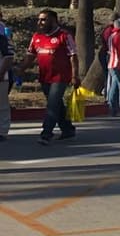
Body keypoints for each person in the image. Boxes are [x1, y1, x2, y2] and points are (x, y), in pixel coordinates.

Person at [22, 9, 79, 145]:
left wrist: (75, 76)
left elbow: (73, 57)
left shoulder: (64, 36)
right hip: (44, 77)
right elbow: (30, 56)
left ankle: (46, 134)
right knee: (57, 104)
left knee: (52, 105)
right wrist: (20, 69)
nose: (40, 22)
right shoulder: (36, 37)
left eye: (43, 19)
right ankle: (68, 129)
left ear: (53, 21)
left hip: (60, 77)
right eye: (39, 19)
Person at [0, 23, 12, 141]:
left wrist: (1, 73)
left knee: (1, 105)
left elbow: (8, 56)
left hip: (1, 76)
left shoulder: (2, 34)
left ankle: (2, 132)